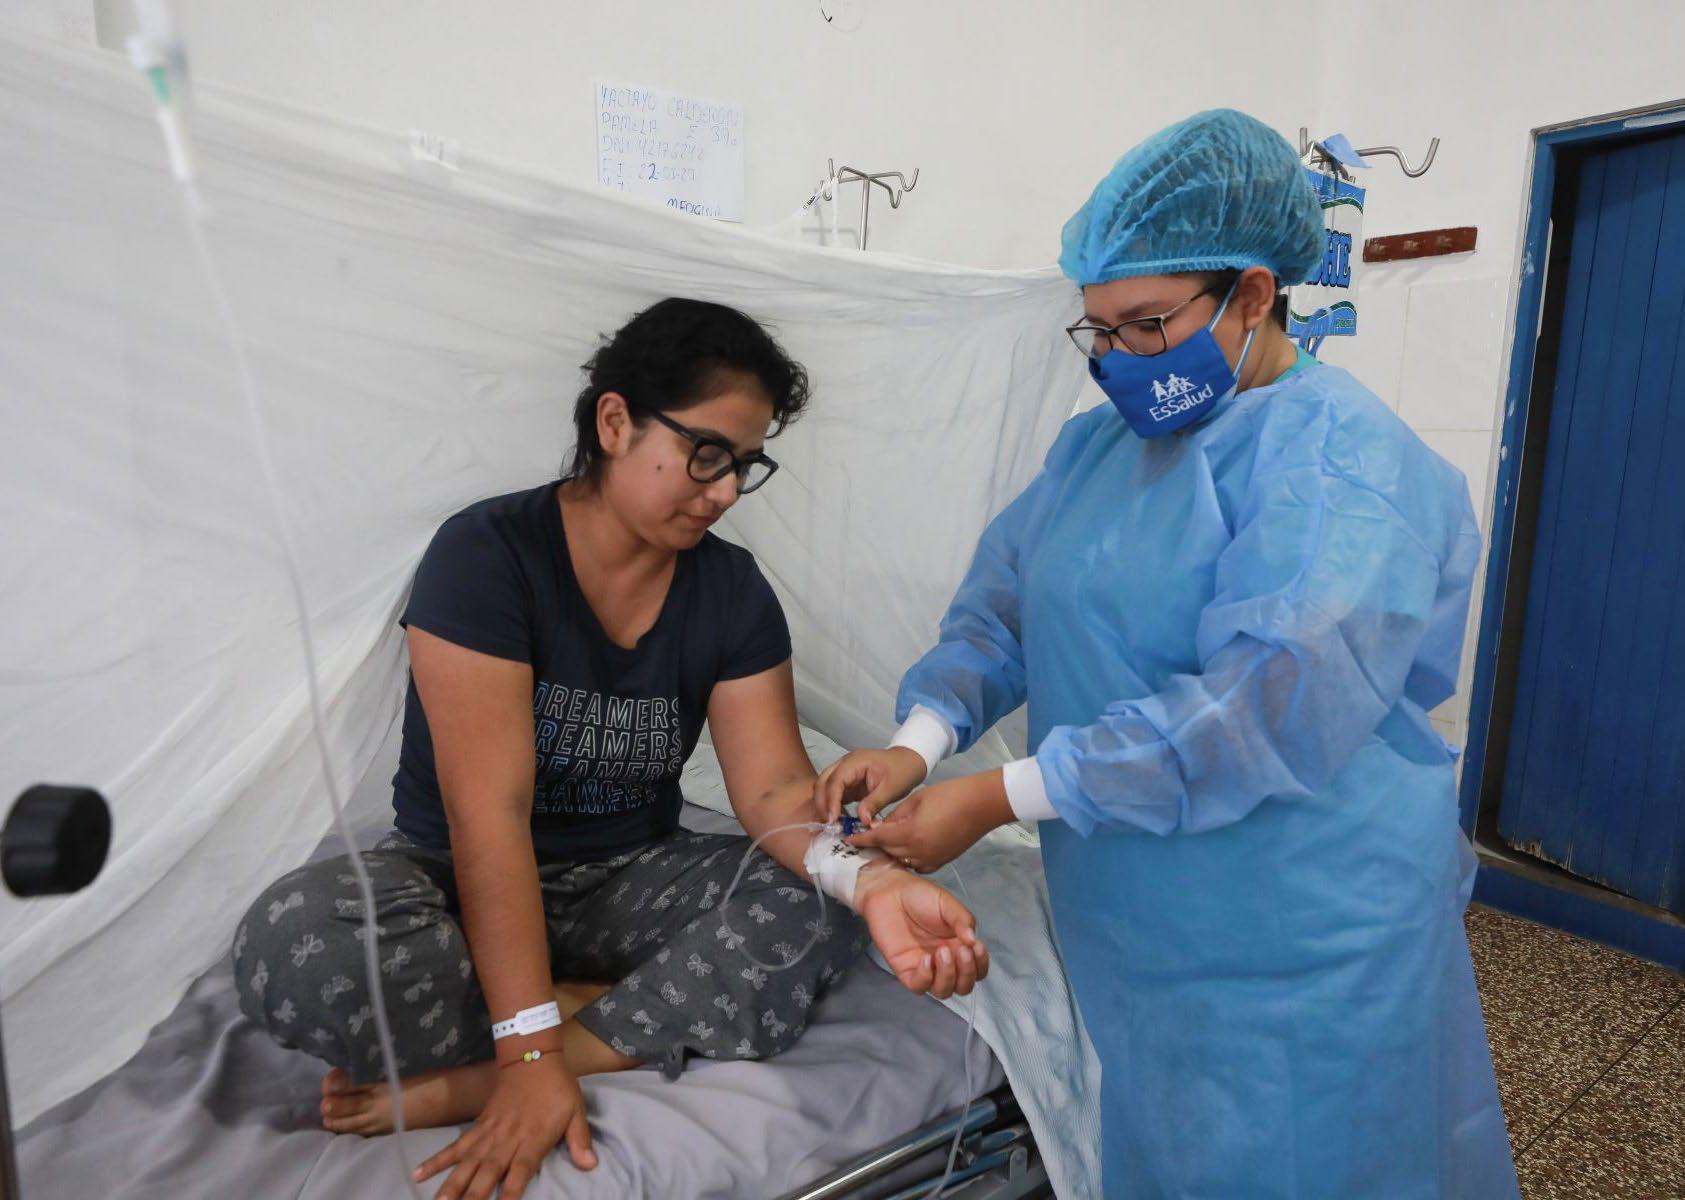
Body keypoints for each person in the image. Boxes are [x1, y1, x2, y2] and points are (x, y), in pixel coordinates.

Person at [819, 110, 1520, 1199]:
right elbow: (1009, 608)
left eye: (1146, 325)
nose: (1118, 361)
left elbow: (1263, 705)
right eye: (1097, 332)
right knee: (1169, 1147)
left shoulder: (1341, 465)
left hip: (1300, 921)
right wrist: (921, 740)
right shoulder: (1096, 448)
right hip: (1134, 912)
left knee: (1312, 1163)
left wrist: (998, 797)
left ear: (1252, 294)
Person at [234, 298, 987, 1200]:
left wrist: (872, 883)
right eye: (706, 453)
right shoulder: (487, 556)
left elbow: (776, 795)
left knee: (811, 904)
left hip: (626, 878)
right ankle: (588, 1014)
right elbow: (487, 816)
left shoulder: (731, 592)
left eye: (744, 466)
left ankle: (494, 1069)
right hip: (452, 875)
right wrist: (526, 1050)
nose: (722, 492)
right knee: (301, 939)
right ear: (615, 421)